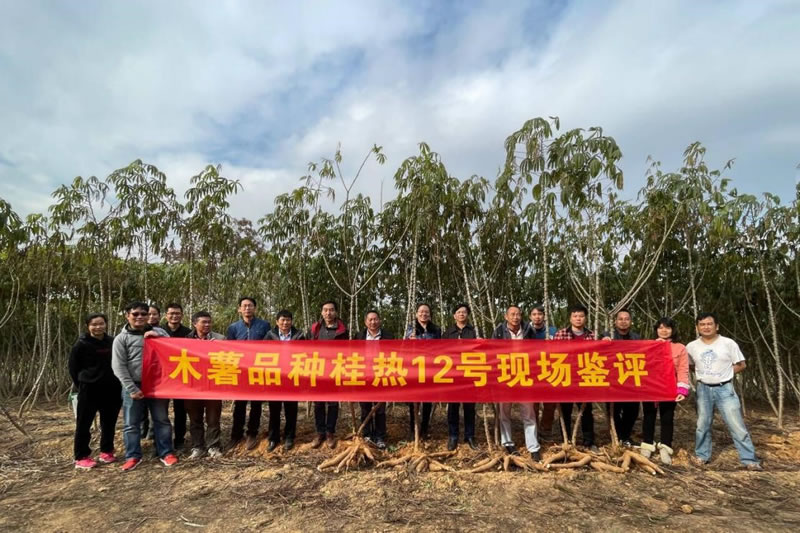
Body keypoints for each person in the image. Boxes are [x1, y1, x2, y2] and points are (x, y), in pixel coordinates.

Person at [686, 313, 761, 470]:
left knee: (736, 425)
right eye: (702, 324)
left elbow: (741, 364)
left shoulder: (728, 343)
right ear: (697, 327)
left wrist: (725, 374)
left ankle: (749, 460)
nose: (706, 327)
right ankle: (702, 456)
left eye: (709, 324)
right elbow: (690, 365)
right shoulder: (691, 346)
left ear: (717, 326)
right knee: (702, 425)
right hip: (703, 389)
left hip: (725, 389)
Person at [111, 301, 177, 471]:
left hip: (157, 385)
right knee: (131, 423)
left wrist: (159, 338)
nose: (139, 317)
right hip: (133, 385)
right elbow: (118, 366)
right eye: (135, 314)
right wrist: (131, 388)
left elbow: (173, 351)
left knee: (161, 420)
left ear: (149, 316)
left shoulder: (160, 332)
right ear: (127, 316)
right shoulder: (121, 339)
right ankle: (133, 456)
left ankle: (166, 453)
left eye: (143, 314)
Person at [69, 313, 123, 469]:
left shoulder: (113, 342)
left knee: (109, 422)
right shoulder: (81, 344)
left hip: (112, 388)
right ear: (88, 326)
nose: (98, 327)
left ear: (106, 324)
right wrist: (83, 383)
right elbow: (73, 368)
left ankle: (107, 451)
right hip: (89, 389)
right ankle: (81, 456)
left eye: (101, 323)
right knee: (84, 423)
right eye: (94, 324)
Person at [492, 305, 541, 460]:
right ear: (506, 317)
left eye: (518, 314)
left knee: (528, 412)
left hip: (524, 375)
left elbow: (536, 352)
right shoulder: (499, 331)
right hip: (505, 376)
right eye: (512, 314)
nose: (515, 317)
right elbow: (492, 352)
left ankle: (533, 447)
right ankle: (508, 443)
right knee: (504, 411)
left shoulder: (528, 330)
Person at [640, 317, 689, 465]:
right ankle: (647, 444)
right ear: (656, 330)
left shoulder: (680, 348)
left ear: (672, 330)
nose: (664, 330)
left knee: (667, 418)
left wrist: (682, 389)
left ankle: (665, 447)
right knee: (649, 416)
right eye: (660, 328)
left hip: (669, 388)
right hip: (650, 388)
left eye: (667, 328)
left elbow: (683, 369)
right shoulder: (648, 345)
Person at [226, 297, 270, 450]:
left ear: (255, 308)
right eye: (244, 306)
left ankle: (252, 433)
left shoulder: (264, 325)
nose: (247, 308)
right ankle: (236, 435)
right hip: (240, 371)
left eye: (250, 306)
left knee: (256, 404)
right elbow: (229, 349)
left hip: (258, 370)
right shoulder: (233, 328)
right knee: (240, 404)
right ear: (239, 309)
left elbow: (270, 347)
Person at [553, 304, 598, 451]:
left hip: (585, 377)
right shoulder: (561, 334)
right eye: (575, 316)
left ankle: (589, 441)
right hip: (566, 377)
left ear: (585, 318)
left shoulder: (592, 335)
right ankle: (566, 440)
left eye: (581, 316)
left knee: (586, 411)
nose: (578, 319)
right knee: (565, 411)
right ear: (570, 318)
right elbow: (553, 354)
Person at [184, 310, 225, 459]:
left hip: (213, 385)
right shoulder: (185, 340)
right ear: (195, 324)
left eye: (209, 322)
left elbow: (229, 358)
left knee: (213, 419)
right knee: (195, 419)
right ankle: (198, 446)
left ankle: (213, 446)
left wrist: (218, 348)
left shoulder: (220, 339)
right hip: (192, 386)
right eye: (204, 322)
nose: (207, 325)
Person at [309, 301, 348, 449]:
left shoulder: (342, 330)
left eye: (331, 310)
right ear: (321, 312)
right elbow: (306, 348)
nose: (328, 313)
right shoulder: (315, 329)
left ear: (335, 312)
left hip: (335, 370)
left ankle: (330, 432)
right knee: (318, 403)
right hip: (318, 370)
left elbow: (348, 350)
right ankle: (320, 432)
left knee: (333, 403)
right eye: (325, 310)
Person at [264, 310, 304, 452]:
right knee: (274, 410)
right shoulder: (270, 335)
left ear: (291, 321)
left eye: (288, 320)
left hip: (292, 377)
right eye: (282, 320)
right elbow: (262, 353)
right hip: (275, 377)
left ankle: (289, 437)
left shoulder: (299, 335)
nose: (285, 323)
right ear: (277, 322)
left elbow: (305, 354)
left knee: (291, 409)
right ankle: (273, 438)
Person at [601, 309, 641, 446]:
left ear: (631, 321)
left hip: (631, 379)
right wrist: (603, 342)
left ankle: (626, 436)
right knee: (614, 410)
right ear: (615, 321)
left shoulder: (636, 338)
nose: (623, 322)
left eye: (626, 319)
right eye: (620, 319)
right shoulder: (607, 336)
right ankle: (618, 437)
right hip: (612, 380)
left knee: (632, 411)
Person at [355, 309, 394, 450]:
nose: (373, 322)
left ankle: (380, 436)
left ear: (380, 320)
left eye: (375, 319)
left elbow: (394, 354)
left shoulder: (388, 336)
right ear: (365, 322)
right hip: (363, 376)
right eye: (370, 319)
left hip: (381, 376)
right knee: (365, 407)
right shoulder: (359, 336)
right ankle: (367, 435)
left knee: (380, 409)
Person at [442, 304, 479, 451]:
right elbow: (440, 352)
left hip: (469, 373)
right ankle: (453, 436)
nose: (461, 314)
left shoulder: (474, 332)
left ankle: (470, 436)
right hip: (452, 375)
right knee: (453, 407)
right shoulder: (448, 333)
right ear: (454, 316)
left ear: (467, 315)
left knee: (469, 407)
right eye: (458, 312)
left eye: (464, 312)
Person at [405, 303, 441, 440]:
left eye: (426, 312)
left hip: (430, 369)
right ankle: (413, 429)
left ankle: (425, 429)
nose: (423, 314)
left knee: (427, 400)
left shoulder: (435, 330)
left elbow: (439, 348)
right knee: (413, 401)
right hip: (414, 369)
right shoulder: (411, 329)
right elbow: (404, 348)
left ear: (430, 314)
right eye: (421, 311)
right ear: (416, 314)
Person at [526, 303, 558, 438]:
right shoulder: (526, 331)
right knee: (533, 404)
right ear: (530, 316)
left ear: (544, 316)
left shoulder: (552, 331)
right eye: (534, 314)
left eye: (540, 314)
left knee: (550, 404)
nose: (537, 317)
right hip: (531, 372)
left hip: (550, 371)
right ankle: (534, 431)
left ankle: (546, 429)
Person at [162, 302, 192, 449]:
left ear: (182, 315)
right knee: (161, 411)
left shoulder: (188, 333)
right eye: (171, 313)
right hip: (163, 377)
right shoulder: (158, 332)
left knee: (180, 410)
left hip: (182, 376)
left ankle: (179, 439)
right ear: (166, 315)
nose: (174, 316)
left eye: (177, 313)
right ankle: (162, 441)